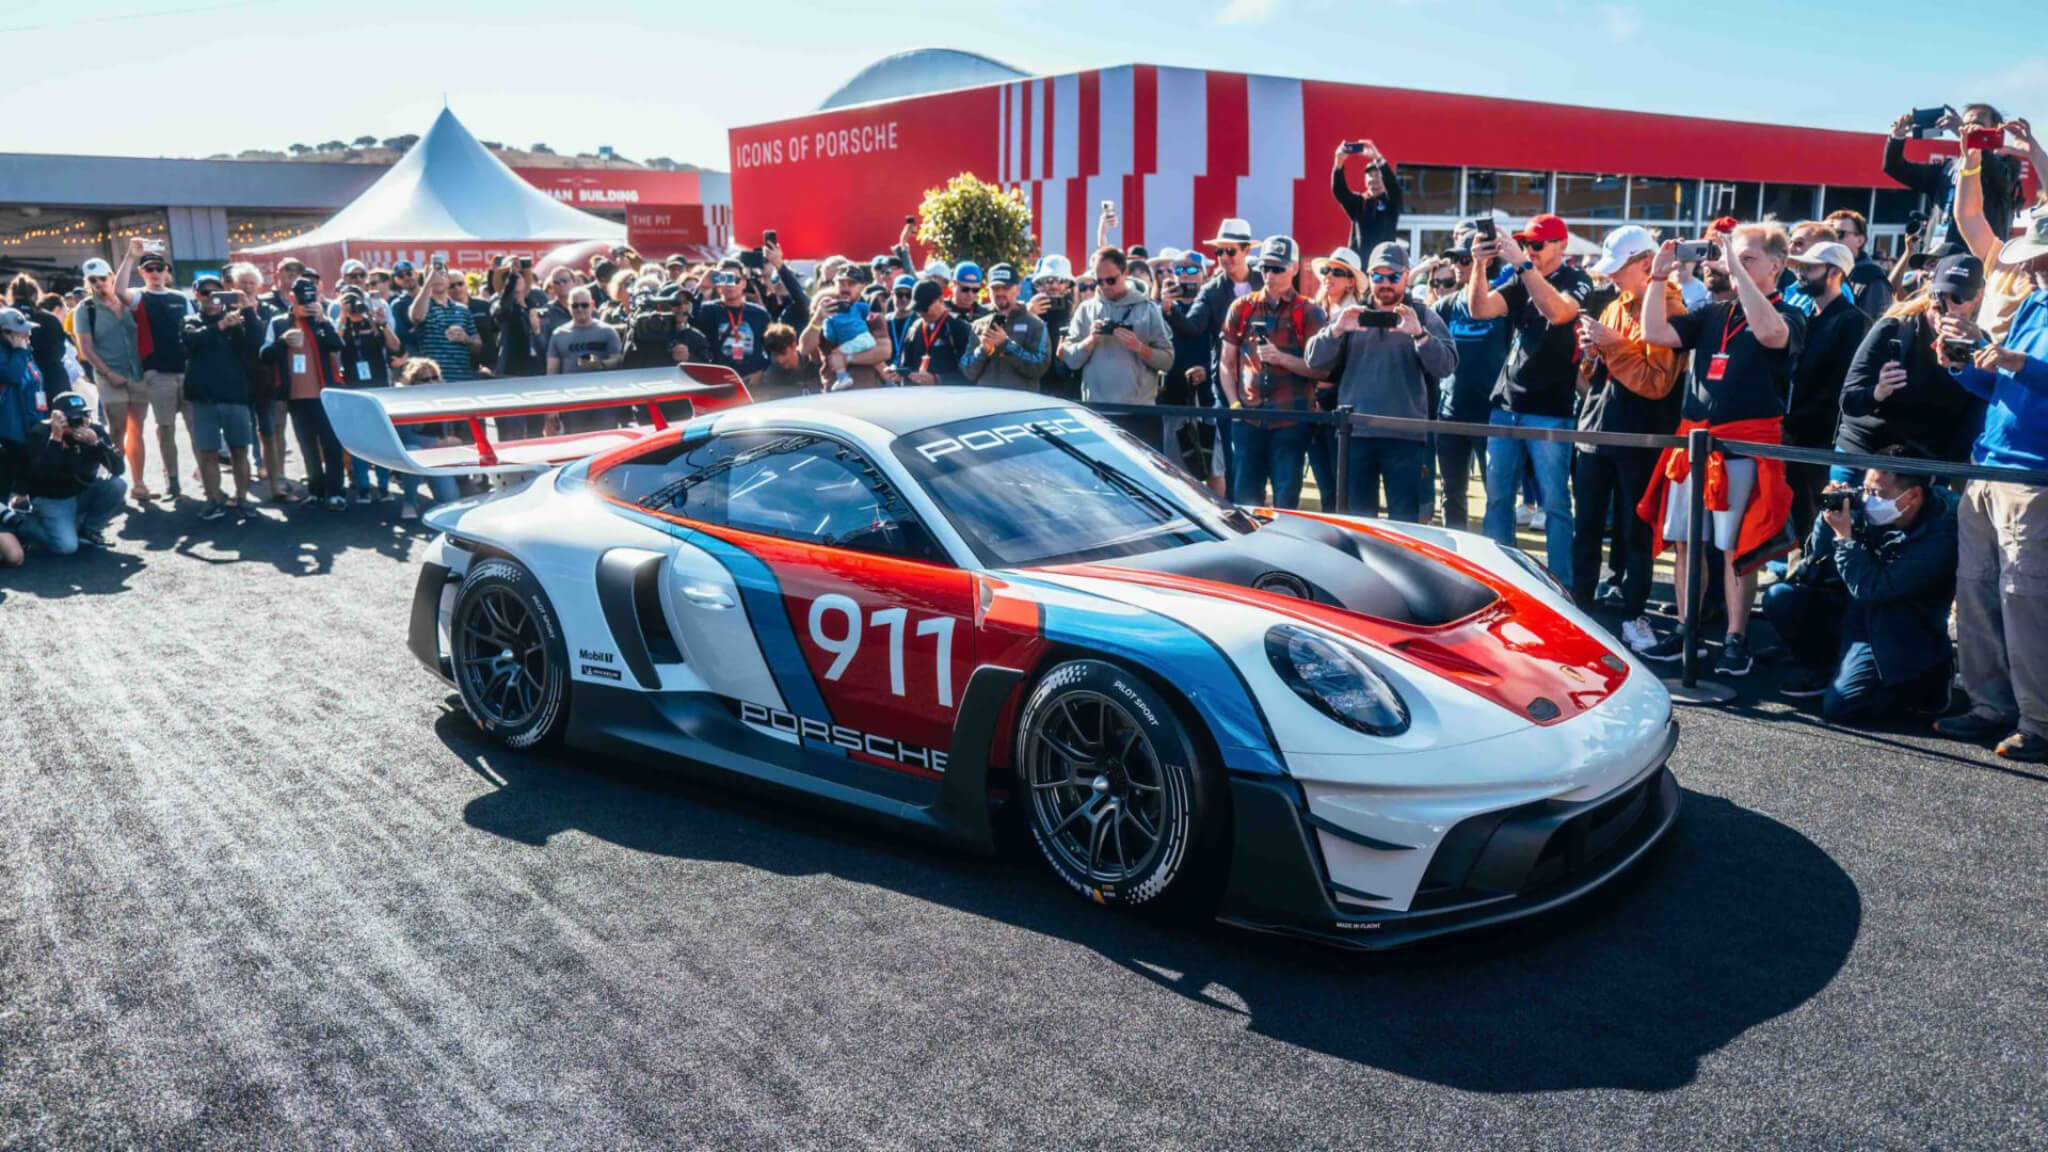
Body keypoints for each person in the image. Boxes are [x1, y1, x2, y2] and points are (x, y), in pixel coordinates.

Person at [1638, 223, 1806, 676]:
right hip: (1696, 445)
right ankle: (1686, 627)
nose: (1736, 264)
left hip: (1742, 448)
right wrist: (1657, 277)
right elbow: (1654, 333)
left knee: (1737, 548)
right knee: (1686, 545)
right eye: (1735, 257)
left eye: (1748, 258)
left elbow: (1772, 336)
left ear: (1777, 266)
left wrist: (1735, 268)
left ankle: (1735, 638)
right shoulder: (1714, 314)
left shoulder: (1790, 313)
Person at [1935, 208, 2048, 761]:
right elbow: (2000, 385)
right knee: (1976, 588)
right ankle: (1990, 704)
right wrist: (1966, 364)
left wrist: (2011, 361)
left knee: (2024, 598)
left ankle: (2038, 719)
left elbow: (2023, 373)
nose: (2034, 271)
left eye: (2041, 261)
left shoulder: (2032, 302)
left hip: (2032, 476)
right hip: (1989, 466)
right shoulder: (2032, 302)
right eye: (2034, 261)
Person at [1762, 452, 1959, 725]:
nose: (1868, 499)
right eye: (1865, 489)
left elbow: (1874, 589)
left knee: (1841, 708)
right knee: (1781, 598)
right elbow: (1818, 560)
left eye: (1877, 493)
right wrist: (1827, 517)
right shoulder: (1866, 507)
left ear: (1913, 495)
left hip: (1901, 625)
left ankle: (1928, 685)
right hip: (1855, 607)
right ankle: (1827, 668)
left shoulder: (1941, 532)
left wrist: (1845, 539)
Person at [1571, 226, 1683, 651]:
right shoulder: (1616, 304)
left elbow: (1658, 383)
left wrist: (1612, 346)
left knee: (1637, 532)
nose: (1611, 277)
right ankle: (1579, 612)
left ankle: (1636, 616)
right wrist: (1592, 352)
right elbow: (1597, 378)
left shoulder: (1671, 305)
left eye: (1617, 268)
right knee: (1586, 530)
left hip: (1640, 438)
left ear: (1644, 264)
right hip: (1596, 431)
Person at [1467, 213, 1591, 581]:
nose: (1530, 251)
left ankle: (1561, 584)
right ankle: (1500, 578)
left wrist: (1522, 264)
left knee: (1555, 504)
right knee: (1497, 500)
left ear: (1561, 246)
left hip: (1551, 409)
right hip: (1506, 405)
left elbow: (1559, 312)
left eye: (1537, 245)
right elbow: (1480, 309)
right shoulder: (1521, 277)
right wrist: (1478, 265)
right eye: (1526, 244)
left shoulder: (1576, 279)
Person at [1303, 244, 1453, 521]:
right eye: (1378, 276)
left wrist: (1420, 336)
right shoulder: (1351, 315)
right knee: (1358, 524)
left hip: (1405, 436)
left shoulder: (1422, 315)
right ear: (1368, 277)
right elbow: (1313, 361)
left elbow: (1446, 365)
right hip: (1355, 435)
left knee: (1404, 526)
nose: (1385, 283)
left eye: (1393, 277)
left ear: (1407, 276)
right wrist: (1335, 331)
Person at [1837, 255, 1988, 473]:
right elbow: (1848, 401)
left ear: (1977, 297)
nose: (1946, 305)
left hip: (1923, 469)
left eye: (1957, 297)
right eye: (1939, 295)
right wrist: (1876, 392)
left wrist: (1945, 473)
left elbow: (1973, 420)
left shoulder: (1981, 345)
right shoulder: (1894, 328)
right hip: (1865, 455)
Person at [1217, 237, 1326, 508]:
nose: (1269, 274)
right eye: (1264, 267)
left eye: (1277, 268)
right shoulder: (1242, 307)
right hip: (1248, 419)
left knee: (1286, 503)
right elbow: (1226, 363)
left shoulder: (1310, 312)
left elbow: (1321, 370)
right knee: (1244, 502)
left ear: (1294, 269)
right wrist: (1234, 404)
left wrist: (1282, 358)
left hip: (1291, 421)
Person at [1783, 240, 1872, 533]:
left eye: (1810, 267)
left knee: (1824, 520)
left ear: (1835, 273)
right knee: (1801, 517)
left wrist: (1795, 424)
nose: (1801, 273)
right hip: (1798, 436)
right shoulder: (1807, 317)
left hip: (1826, 441)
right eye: (1801, 267)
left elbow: (1840, 387)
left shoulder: (1853, 322)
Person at [1429, 237, 1510, 531]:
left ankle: (1497, 557)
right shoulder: (1443, 307)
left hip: (1493, 414)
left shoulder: (1503, 303)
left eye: (1466, 260)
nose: (1459, 267)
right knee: (1452, 493)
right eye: (1456, 261)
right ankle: (1457, 556)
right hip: (1451, 412)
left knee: (1497, 495)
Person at [1063, 246, 1178, 450]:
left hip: (1138, 414)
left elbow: (1168, 360)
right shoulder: (1085, 310)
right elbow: (1071, 360)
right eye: (1098, 281)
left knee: (1144, 478)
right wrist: (1089, 341)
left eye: (1111, 280)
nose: (1104, 286)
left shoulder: (1147, 308)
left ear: (1125, 273)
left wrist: (1139, 348)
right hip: (1098, 412)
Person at [1885, 104, 2021, 255]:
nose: (1967, 129)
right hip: (1936, 259)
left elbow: (2001, 179)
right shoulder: (1947, 168)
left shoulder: (2007, 163)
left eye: (1977, 125)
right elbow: (1895, 168)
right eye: (1965, 124)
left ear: (1996, 129)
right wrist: (1897, 137)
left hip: (1976, 263)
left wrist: (1973, 142)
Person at [116, 239, 192, 502]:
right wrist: (130, 256)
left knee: (197, 429)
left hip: (186, 372)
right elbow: (118, 291)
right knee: (166, 429)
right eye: (150, 269)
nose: (156, 273)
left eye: (160, 269)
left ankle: (206, 477)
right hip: (158, 373)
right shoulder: (140, 297)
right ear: (143, 274)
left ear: (167, 272)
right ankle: (173, 481)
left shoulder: (182, 298)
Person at [261, 278, 347, 509]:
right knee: (307, 446)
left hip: (326, 395)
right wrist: (282, 341)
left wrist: (324, 320)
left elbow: (337, 345)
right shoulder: (279, 322)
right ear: (292, 299)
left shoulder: (321, 320)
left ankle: (336, 492)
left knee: (331, 445)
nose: (307, 303)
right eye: (303, 299)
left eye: (312, 298)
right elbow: (264, 355)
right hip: (296, 396)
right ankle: (316, 490)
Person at [179, 276, 260, 519]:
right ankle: (213, 499)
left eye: (218, 294)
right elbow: (192, 340)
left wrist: (248, 310)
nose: (212, 299)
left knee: (239, 451)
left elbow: (255, 342)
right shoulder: (190, 320)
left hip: (235, 395)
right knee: (208, 452)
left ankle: (243, 498)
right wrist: (221, 326)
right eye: (206, 293)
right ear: (197, 296)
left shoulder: (239, 321)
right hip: (204, 398)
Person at [12, 391, 126, 554]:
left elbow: (119, 469)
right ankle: (21, 522)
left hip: (81, 491)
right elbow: (41, 475)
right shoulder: (41, 433)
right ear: (57, 418)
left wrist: (97, 444)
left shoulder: (95, 431)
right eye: (73, 418)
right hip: (52, 498)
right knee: (66, 547)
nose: (79, 422)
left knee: (117, 485)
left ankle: (90, 530)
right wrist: (56, 438)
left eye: (83, 415)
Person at [72, 258, 145, 484]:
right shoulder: (85, 309)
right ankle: (116, 480)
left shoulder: (130, 300)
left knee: (137, 429)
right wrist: (108, 373)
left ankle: (139, 482)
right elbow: (85, 348)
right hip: (108, 374)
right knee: (117, 428)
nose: (99, 283)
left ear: (112, 276)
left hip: (138, 372)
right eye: (93, 280)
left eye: (103, 278)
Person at [335, 289, 401, 500]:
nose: (355, 307)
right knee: (359, 440)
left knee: (380, 438)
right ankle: (363, 485)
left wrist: (382, 323)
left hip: (379, 386)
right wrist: (343, 317)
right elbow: (334, 348)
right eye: (350, 303)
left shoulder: (373, 324)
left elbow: (395, 346)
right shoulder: (341, 326)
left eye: (357, 302)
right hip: (354, 389)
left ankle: (383, 485)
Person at [388, 357, 462, 522]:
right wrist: (437, 443)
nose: (431, 382)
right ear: (413, 382)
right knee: (414, 451)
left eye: (434, 378)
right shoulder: (405, 404)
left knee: (451, 498)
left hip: (437, 456)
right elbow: (404, 437)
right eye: (425, 379)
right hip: (413, 452)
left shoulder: (444, 401)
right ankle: (410, 501)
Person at [799, 265, 892, 390]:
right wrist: (818, 319)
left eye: (851, 283)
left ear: (863, 286)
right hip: (834, 393)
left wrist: (845, 358)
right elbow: (804, 349)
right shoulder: (825, 315)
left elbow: (884, 351)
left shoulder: (871, 316)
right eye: (841, 283)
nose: (846, 288)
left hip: (867, 393)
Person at [962, 264, 1051, 392]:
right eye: (995, 288)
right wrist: (983, 349)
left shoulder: (1036, 325)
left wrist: (1006, 344)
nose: (1000, 292)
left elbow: (1039, 367)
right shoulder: (978, 325)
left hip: (1020, 406)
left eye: (1006, 287)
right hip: (987, 405)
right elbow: (967, 371)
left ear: (1018, 290)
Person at [693, 261, 772, 387]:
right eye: (725, 279)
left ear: (744, 283)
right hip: (719, 385)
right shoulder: (707, 311)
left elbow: (773, 350)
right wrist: (700, 287)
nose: (730, 285)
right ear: (718, 284)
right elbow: (687, 317)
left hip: (753, 386)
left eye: (734, 279)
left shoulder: (759, 314)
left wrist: (762, 373)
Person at [892, 280, 975, 388]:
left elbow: (971, 373)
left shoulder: (959, 327)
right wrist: (899, 373)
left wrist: (937, 380)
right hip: (919, 398)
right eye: (917, 309)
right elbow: (907, 366)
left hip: (950, 398)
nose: (921, 313)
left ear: (941, 300)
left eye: (925, 308)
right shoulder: (914, 329)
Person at [1329, 139, 1403, 257]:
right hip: (1359, 269)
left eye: (1377, 174)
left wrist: (1378, 158)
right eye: (1370, 175)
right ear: (1365, 180)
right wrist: (1338, 162)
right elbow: (1339, 191)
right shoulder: (1359, 203)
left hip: (1383, 268)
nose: (1374, 178)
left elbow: (1393, 187)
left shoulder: (1392, 202)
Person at [408, 265, 482, 382]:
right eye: (433, 275)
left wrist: (466, 338)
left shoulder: (463, 309)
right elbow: (417, 316)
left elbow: (478, 344)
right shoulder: (424, 306)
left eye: (442, 274)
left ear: (448, 280)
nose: (437, 278)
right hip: (434, 379)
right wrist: (428, 284)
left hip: (464, 377)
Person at [1026, 256, 1082, 401]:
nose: (1055, 286)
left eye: (1062, 281)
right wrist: (1027, 315)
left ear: (1069, 285)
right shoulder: (1024, 312)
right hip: (1034, 390)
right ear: (1038, 285)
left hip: (1068, 391)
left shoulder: (1079, 311)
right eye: (1049, 280)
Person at [1824, 208, 1895, 320]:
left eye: (1838, 233)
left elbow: (1872, 326)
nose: (1831, 240)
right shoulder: (1818, 272)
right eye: (1826, 234)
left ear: (1860, 240)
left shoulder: (1870, 277)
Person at [0, 307, 47, 445]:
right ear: (6, 334)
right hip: (10, 434)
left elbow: (37, 383)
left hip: (32, 425)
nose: (28, 334)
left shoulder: (24, 352)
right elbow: (12, 375)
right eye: (22, 332)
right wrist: (20, 351)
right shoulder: (15, 352)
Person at [756, 323, 813, 401]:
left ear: (794, 345)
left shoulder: (814, 362)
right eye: (776, 355)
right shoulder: (772, 377)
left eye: (783, 353)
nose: (780, 360)